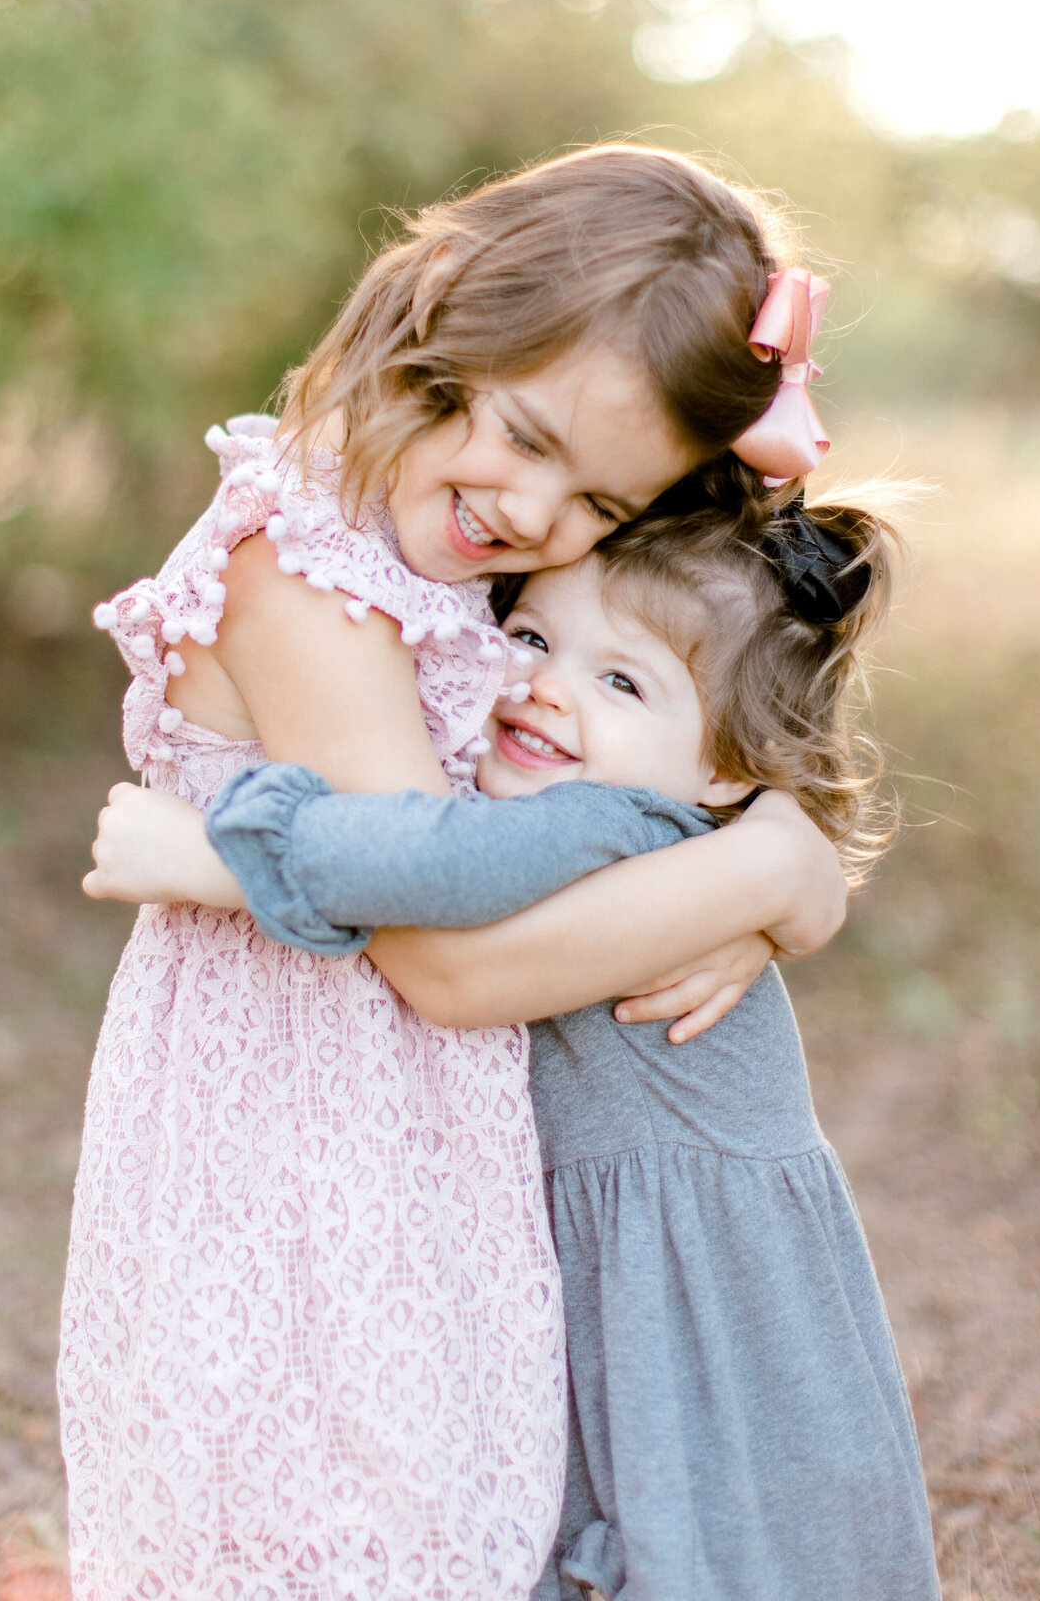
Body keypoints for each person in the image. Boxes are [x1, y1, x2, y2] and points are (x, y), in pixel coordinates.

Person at [68, 145, 849, 1601]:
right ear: (442, 326)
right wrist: (758, 875)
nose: (541, 518)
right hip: (297, 1139)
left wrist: (787, 865)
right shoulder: (304, 570)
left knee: (453, 1523)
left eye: (605, 504)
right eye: (533, 438)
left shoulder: (433, 526)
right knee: (323, 1522)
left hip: (429, 1147)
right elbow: (443, 956)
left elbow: (705, 686)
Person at [93, 497, 941, 1601]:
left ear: (732, 773)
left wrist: (220, 855)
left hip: (695, 1309)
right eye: (533, 638)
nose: (546, 685)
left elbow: (437, 871)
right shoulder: (667, 833)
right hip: (653, 1283)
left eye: (622, 681)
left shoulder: (614, 829)